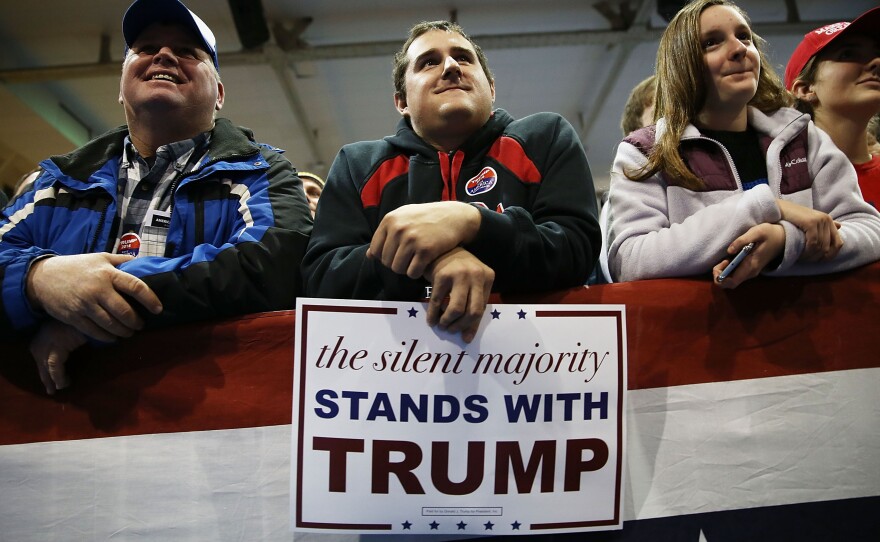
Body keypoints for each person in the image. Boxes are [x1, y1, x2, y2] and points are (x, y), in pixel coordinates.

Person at [0, 0, 313, 394]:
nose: (164, 54)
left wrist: (92, 298)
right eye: (146, 48)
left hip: (210, 420)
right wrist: (38, 279)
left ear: (218, 95)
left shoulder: (259, 170)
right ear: (121, 88)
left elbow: (272, 266)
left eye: (187, 51)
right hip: (60, 430)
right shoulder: (57, 182)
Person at [302, 20, 600, 343]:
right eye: (429, 62)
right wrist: (431, 259)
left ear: (492, 88)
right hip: (395, 379)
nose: (451, 66)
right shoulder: (357, 165)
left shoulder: (546, 138)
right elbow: (320, 280)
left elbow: (578, 247)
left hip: (533, 370)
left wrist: (472, 223)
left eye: (464, 58)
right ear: (401, 102)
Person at [605, 0, 880, 286]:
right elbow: (630, 259)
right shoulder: (645, 152)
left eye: (744, 36)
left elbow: (871, 230)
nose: (739, 49)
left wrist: (786, 241)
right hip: (703, 330)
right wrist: (764, 206)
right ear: (681, 64)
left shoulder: (803, 137)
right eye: (712, 42)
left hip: (807, 329)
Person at [785, 7, 880, 209]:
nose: (877, 62)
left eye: (878, 54)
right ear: (805, 89)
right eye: (848, 53)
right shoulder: (784, 183)